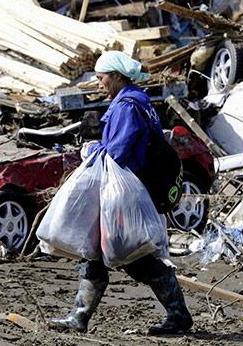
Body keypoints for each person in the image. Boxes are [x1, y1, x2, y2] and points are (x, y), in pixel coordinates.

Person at [50, 50, 193, 336]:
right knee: (95, 252)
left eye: (102, 78)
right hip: (127, 191)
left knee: (134, 257)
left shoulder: (127, 106)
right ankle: (80, 315)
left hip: (125, 195)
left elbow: (118, 152)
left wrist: (92, 149)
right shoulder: (139, 101)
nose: (99, 84)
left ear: (117, 76)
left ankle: (179, 315)